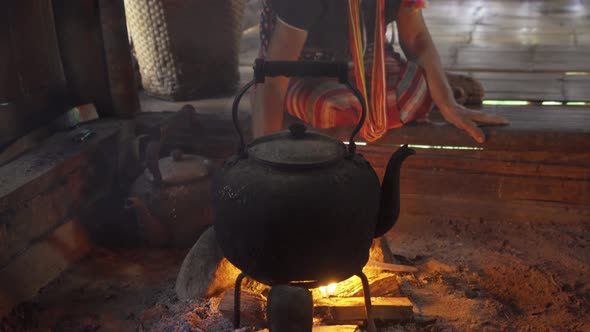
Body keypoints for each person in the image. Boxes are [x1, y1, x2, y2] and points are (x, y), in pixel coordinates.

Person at [252, 0, 508, 143]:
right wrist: (266, 158)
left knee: (417, 88)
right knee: (331, 108)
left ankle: (436, 82)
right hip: (305, 66)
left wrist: (449, 104)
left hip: (369, 55)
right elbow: (274, 76)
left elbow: (416, 37)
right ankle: (432, 81)